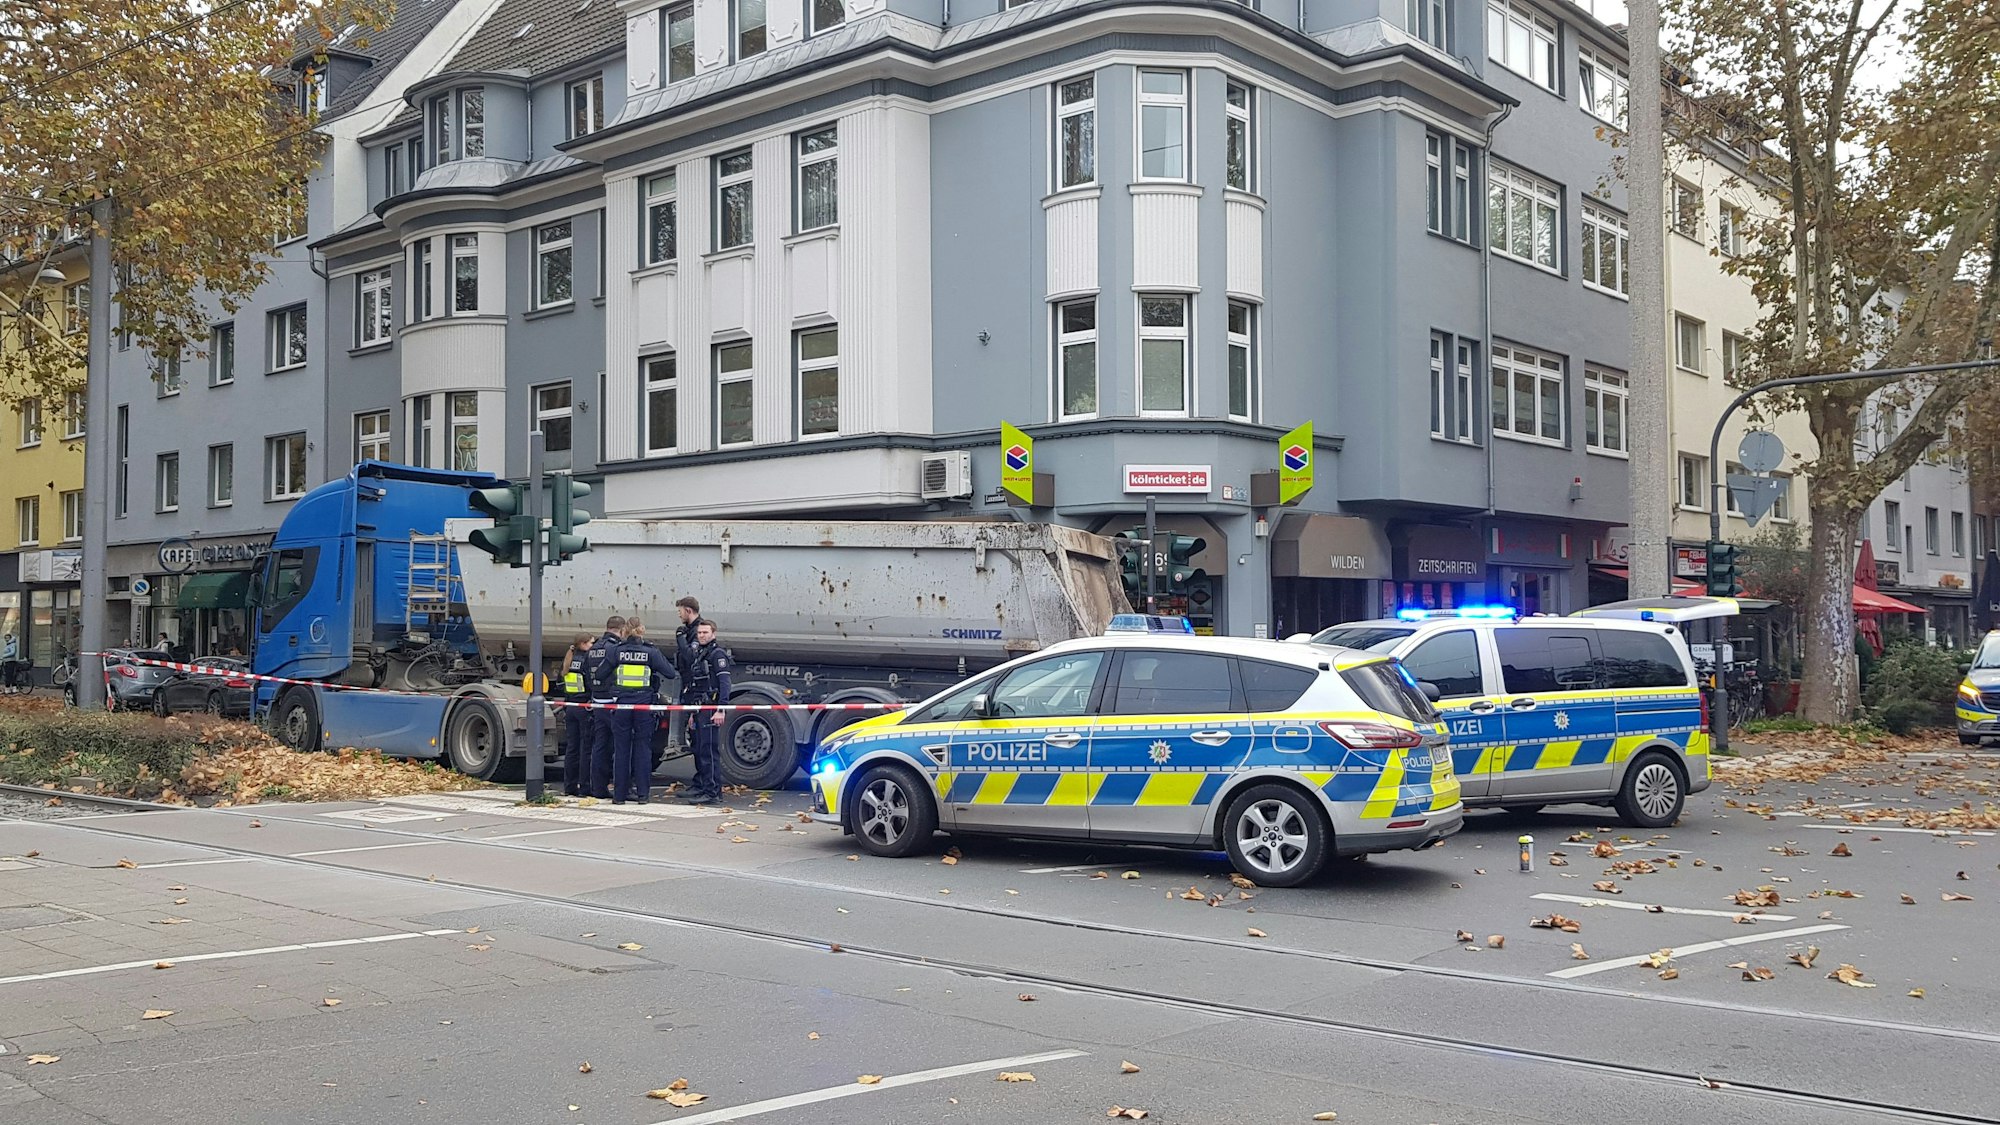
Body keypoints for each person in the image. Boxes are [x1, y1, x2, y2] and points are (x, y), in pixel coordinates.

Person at [607, 619, 674, 804]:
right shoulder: (650, 651)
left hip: (622, 706)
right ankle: (643, 795)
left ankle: (619, 796)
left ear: (625, 631)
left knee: (621, 750)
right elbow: (670, 672)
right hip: (644, 706)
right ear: (642, 631)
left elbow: (600, 674)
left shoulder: (617, 651)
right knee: (643, 749)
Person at [679, 618, 733, 805]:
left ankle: (712, 792)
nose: (701, 635)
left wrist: (721, 710)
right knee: (700, 749)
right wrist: (694, 714)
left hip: (711, 708)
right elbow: (697, 686)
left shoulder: (717, 655)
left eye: (705, 632)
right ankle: (704, 787)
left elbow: (725, 684)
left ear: (713, 634)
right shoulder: (701, 654)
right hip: (700, 708)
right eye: (700, 633)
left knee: (708, 752)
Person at [583, 615, 626, 800]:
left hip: (597, 701)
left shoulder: (593, 648)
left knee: (600, 745)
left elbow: (586, 674)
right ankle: (621, 788)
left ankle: (598, 788)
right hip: (613, 701)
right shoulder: (614, 648)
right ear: (622, 629)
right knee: (620, 746)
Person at [558, 632, 597, 797]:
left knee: (572, 749)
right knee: (585, 749)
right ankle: (585, 787)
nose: (593, 646)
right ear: (582, 644)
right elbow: (591, 683)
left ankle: (569, 786)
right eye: (591, 643)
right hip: (584, 707)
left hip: (571, 707)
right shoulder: (586, 661)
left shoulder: (568, 661)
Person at [668, 596, 701, 755]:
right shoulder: (690, 629)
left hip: (693, 682)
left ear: (688, 610)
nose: (679, 615)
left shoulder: (697, 630)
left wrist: (681, 638)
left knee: (696, 730)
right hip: (687, 681)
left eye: (680, 611)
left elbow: (690, 656)